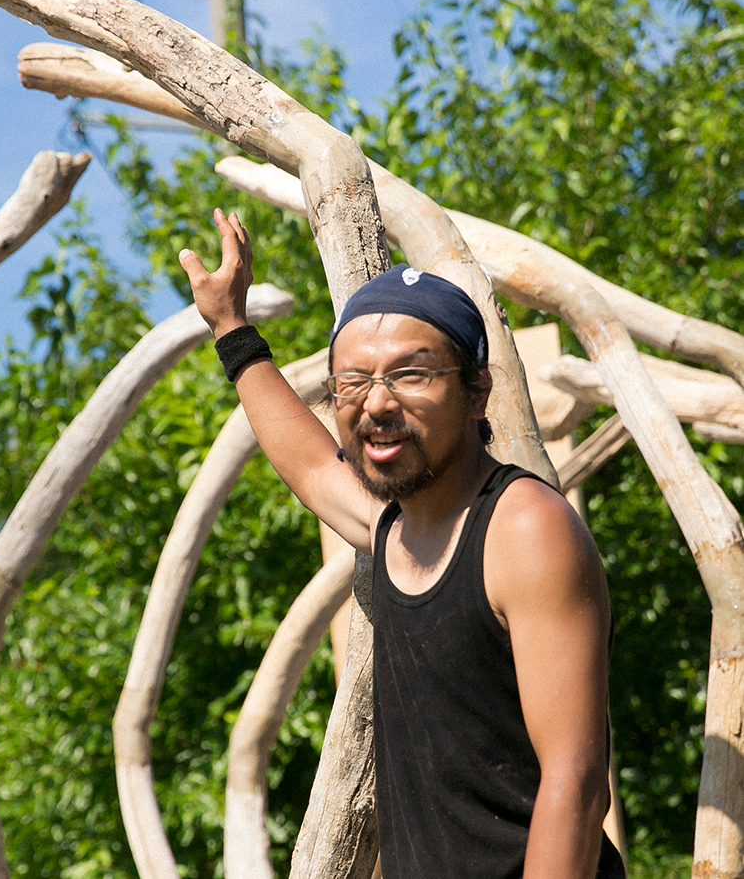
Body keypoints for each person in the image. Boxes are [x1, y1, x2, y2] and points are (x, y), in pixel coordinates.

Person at [179, 208, 626, 879]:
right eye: (353, 382)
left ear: (478, 392)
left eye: (412, 374)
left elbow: (578, 780)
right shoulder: (396, 531)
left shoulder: (524, 531)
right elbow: (309, 467)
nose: (377, 402)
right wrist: (232, 330)